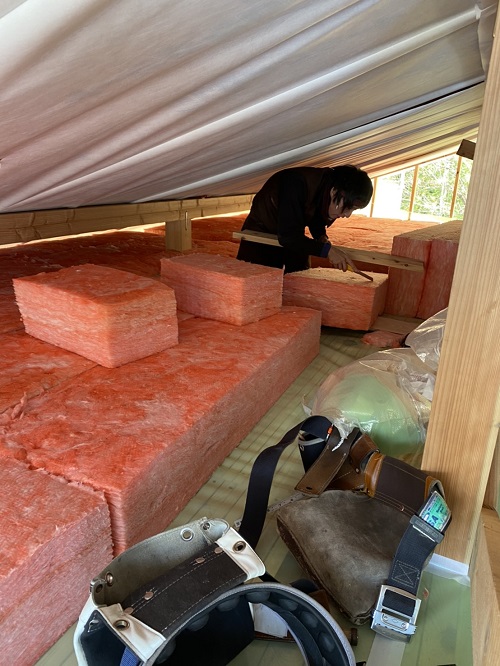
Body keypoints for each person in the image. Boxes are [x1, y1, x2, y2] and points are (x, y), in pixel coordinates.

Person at [236, 165, 373, 274]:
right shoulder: (295, 183)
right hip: (260, 234)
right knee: (257, 283)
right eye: (348, 207)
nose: (347, 215)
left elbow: (316, 216)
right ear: (334, 192)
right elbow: (288, 237)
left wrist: (321, 238)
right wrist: (327, 251)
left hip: (290, 234)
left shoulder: (326, 184)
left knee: (300, 277)